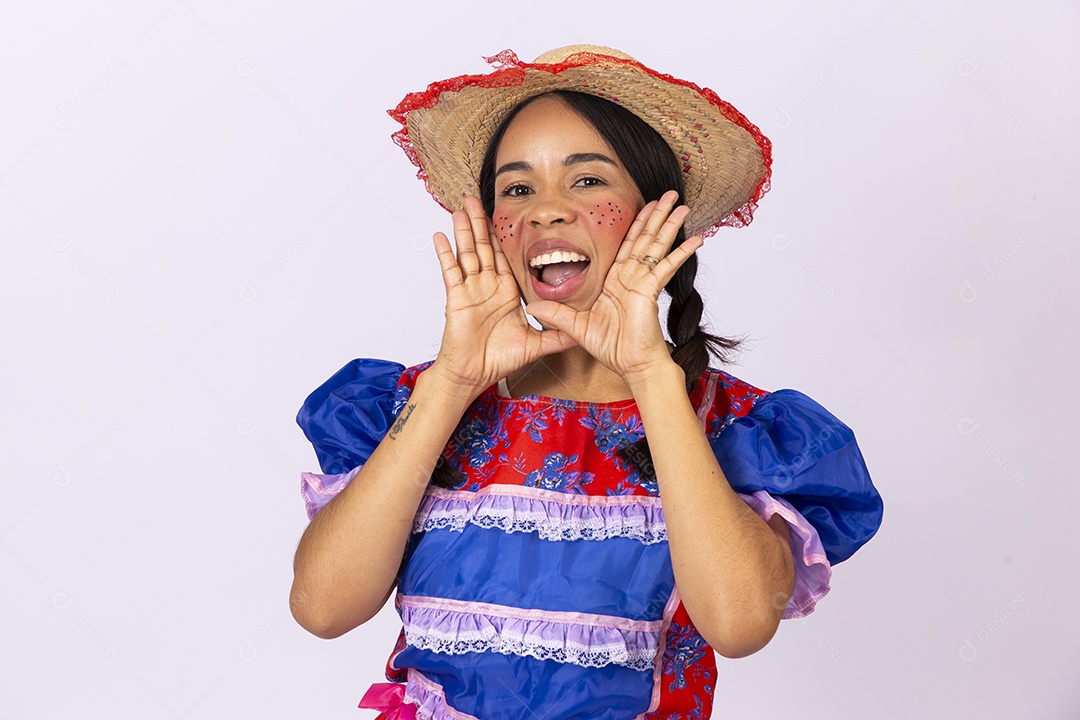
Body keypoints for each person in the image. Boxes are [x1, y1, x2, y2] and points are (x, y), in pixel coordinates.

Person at [290, 45, 883, 720]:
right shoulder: (419, 403)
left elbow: (741, 622)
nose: (545, 210)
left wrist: (650, 376)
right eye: (517, 189)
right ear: (493, 228)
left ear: (659, 217)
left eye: (586, 181)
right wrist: (453, 380)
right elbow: (322, 607)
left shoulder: (731, 427)